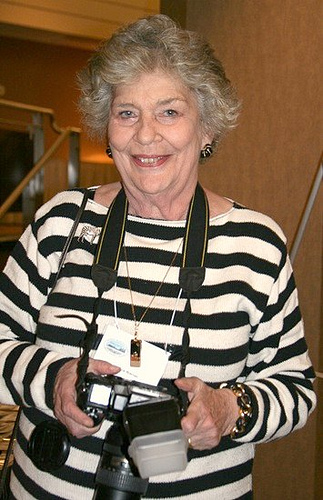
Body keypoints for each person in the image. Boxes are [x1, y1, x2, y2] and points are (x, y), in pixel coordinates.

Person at [0, 14, 316, 500]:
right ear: (107, 127)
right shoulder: (59, 225)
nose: (146, 136)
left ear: (206, 126)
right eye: (126, 113)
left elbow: (297, 388)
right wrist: (54, 381)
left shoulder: (256, 246)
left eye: (169, 112)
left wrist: (231, 409)